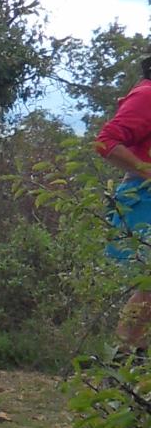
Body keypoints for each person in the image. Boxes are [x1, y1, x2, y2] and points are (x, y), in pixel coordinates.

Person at [95, 52, 151, 353]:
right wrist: (146, 171)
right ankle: (123, 363)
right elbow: (106, 140)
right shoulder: (147, 95)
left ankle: (132, 366)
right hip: (143, 196)